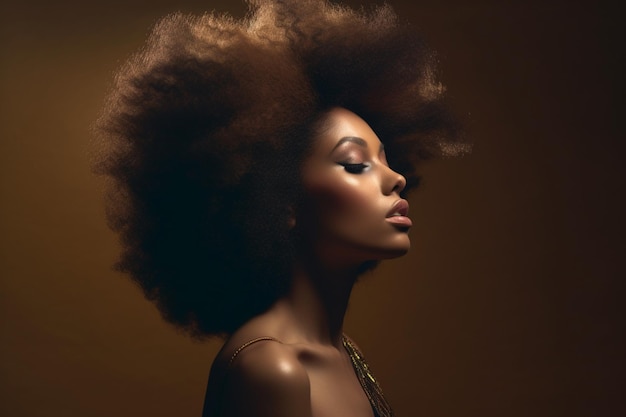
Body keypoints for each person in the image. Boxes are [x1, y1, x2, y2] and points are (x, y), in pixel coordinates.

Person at [95, 0, 466, 416]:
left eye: (386, 158)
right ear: (281, 200)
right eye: (355, 163)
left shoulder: (345, 354)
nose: (395, 177)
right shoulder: (272, 370)